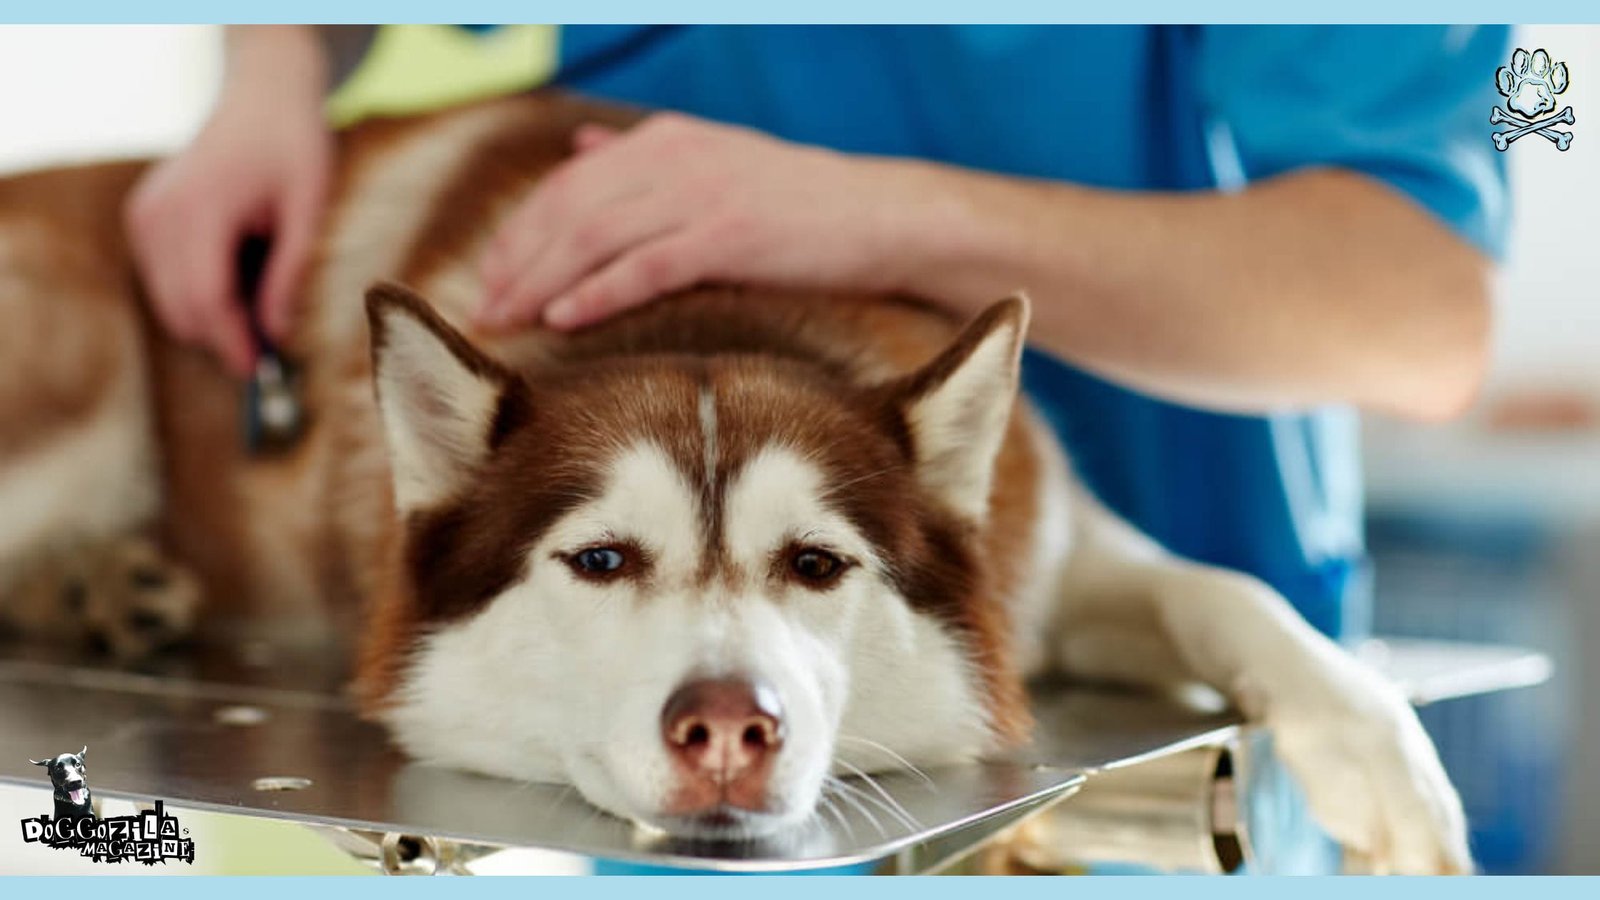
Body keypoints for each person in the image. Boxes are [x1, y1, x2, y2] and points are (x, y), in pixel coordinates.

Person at [125, 24, 1510, 640]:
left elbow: (1420, 312)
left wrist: (876, 217)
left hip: (1124, 693)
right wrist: (269, 68)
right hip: (685, 754)